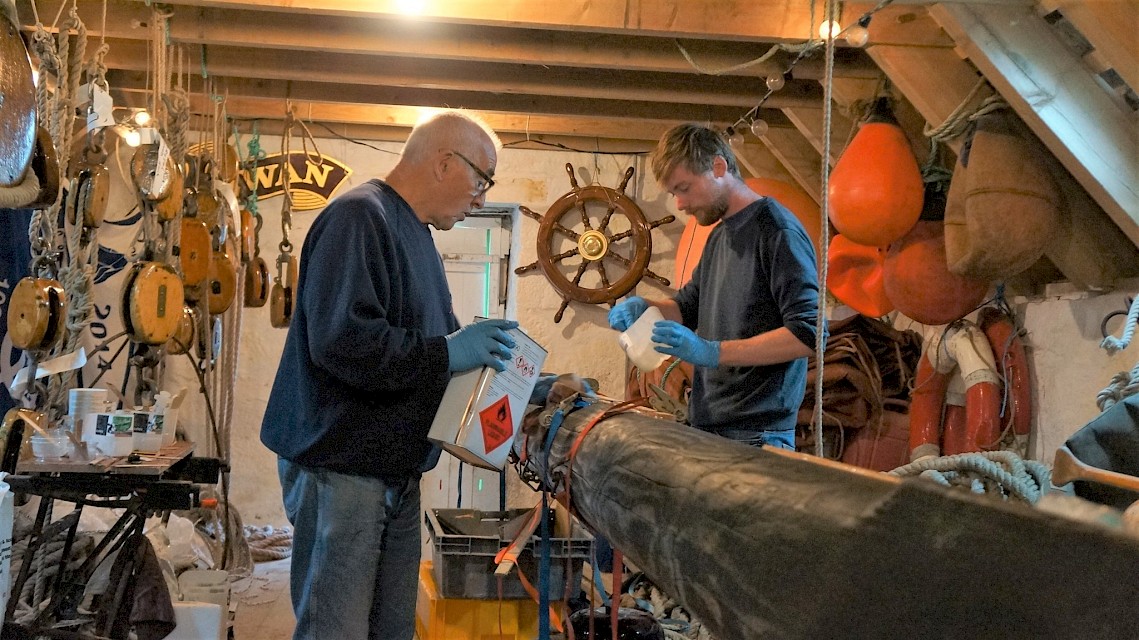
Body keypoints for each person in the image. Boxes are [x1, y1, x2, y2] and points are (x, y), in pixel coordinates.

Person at [260, 110, 520, 640]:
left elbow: (441, 355)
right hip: (343, 470)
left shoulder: (417, 237)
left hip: (395, 472)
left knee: (391, 631)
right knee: (335, 630)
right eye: (481, 180)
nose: (481, 198)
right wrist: (450, 352)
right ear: (446, 163)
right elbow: (343, 342)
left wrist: (528, 383)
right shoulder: (360, 218)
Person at [608, 123, 825, 449]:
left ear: (718, 167)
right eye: (674, 194)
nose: (680, 204)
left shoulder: (776, 230)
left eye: (684, 188)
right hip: (712, 424)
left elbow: (810, 334)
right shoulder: (719, 237)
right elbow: (688, 305)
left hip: (758, 434)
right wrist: (647, 308)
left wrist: (712, 352)